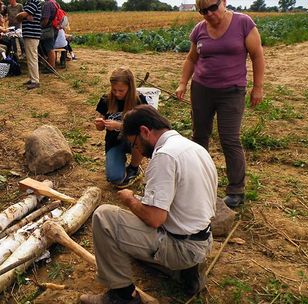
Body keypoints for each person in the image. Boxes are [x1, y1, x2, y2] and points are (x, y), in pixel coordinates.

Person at [81, 105, 218, 304]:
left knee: (104, 216)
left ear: (144, 131)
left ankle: (122, 295)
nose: (137, 150)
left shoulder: (164, 157)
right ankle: (185, 273)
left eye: (134, 143)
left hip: (182, 247)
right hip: (203, 240)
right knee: (134, 247)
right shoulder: (193, 147)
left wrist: (130, 199)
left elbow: (155, 219)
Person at [175, 0, 265, 209]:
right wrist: (182, 83)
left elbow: (257, 55)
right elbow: (191, 59)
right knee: (199, 136)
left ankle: (236, 190)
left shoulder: (244, 23)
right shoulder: (199, 30)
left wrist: (258, 86)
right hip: (202, 90)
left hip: (231, 91)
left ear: (224, 2)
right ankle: (198, 183)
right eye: (203, 11)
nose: (209, 14)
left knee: (229, 138)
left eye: (213, 7)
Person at [95, 68, 146, 188]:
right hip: (114, 141)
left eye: (121, 91)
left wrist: (119, 125)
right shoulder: (106, 99)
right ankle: (119, 158)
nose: (117, 94)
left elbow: (145, 127)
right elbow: (100, 127)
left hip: (134, 141)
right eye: (114, 90)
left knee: (141, 135)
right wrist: (100, 125)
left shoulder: (139, 100)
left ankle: (134, 167)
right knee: (115, 178)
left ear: (130, 87)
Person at [16, 0, 42, 89]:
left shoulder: (34, 2)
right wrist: (24, 15)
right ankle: (32, 78)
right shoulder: (28, 3)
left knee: (32, 58)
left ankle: (35, 81)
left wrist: (23, 15)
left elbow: (20, 16)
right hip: (29, 34)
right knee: (30, 58)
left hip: (32, 34)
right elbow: (20, 17)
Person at [39, 0, 58, 70]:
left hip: (48, 29)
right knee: (51, 47)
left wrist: (41, 26)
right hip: (54, 27)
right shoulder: (55, 3)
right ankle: (52, 65)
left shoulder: (47, 4)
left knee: (49, 48)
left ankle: (51, 67)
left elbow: (46, 19)